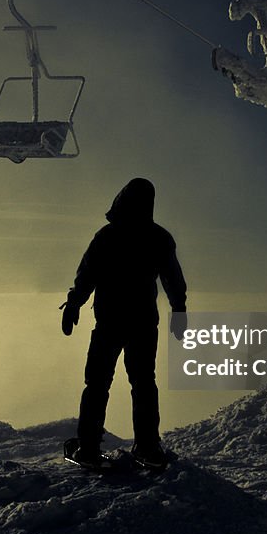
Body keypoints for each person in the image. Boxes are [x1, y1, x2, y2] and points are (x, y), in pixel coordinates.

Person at [60, 178, 187, 468]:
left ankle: (89, 449)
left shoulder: (107, 236)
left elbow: (87, 275)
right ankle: (147, 448)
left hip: (109, 321)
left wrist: (74, 304)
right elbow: (173, 279)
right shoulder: (159, 238)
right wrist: (179, 310)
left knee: (97, 383)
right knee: (143, 383)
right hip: (143, 323)